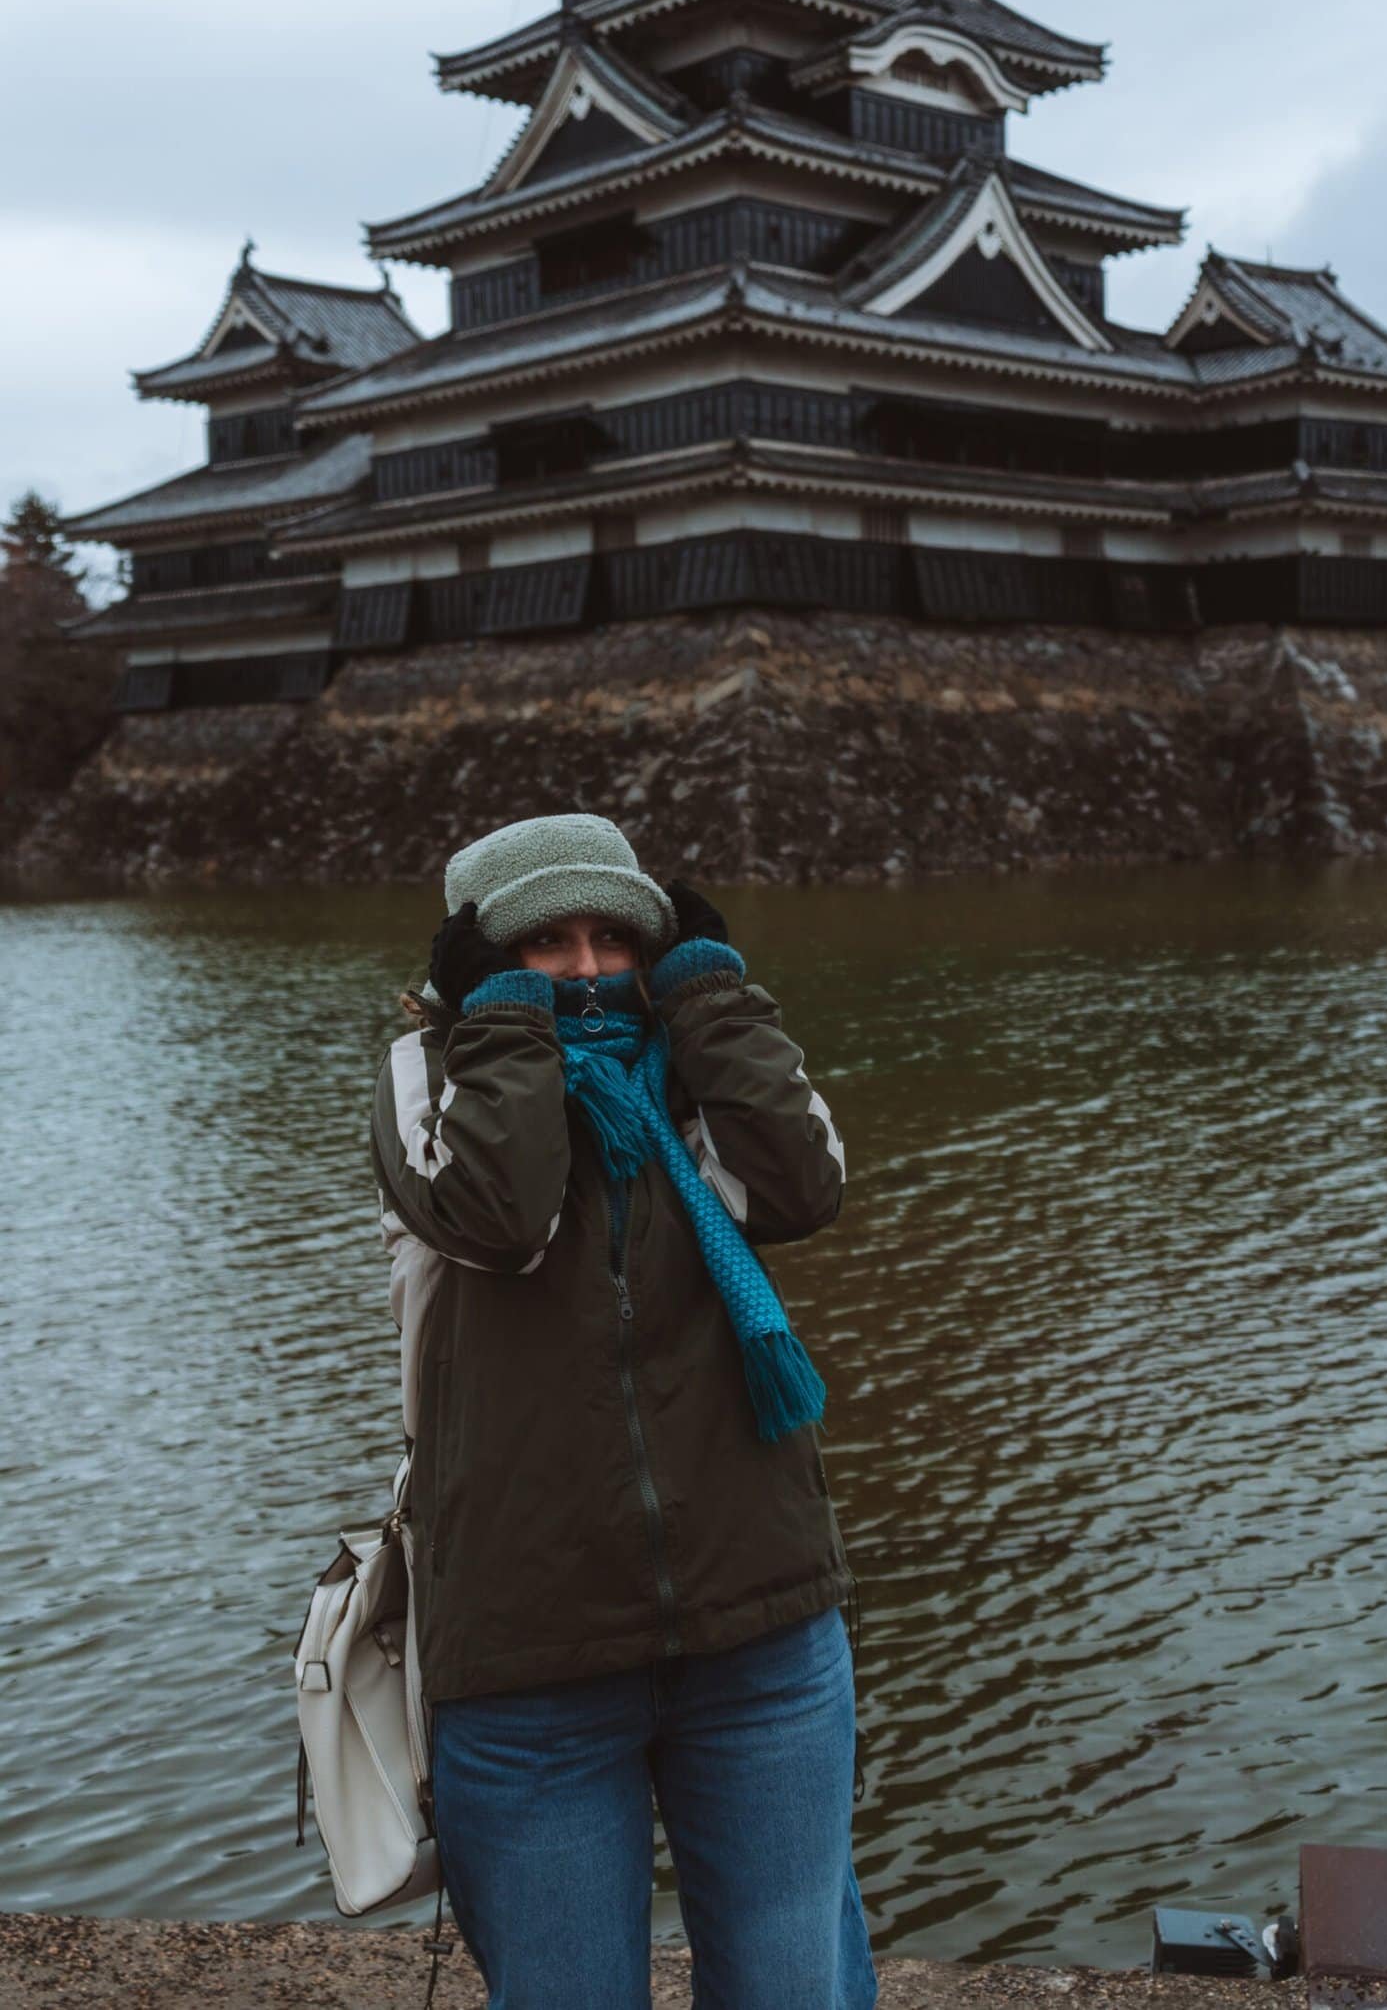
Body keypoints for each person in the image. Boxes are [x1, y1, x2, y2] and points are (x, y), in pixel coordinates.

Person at [371, 811, 877, 2010]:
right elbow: (506, 1212)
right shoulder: (427, 1085)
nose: (592, 968)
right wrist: (503, 1024)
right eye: (548, 941)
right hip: (532, 1657)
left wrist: (707, 991)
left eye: (616, 937)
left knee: (789, 1989)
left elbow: (804, 1185)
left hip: (761, 1633)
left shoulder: (700, 1078)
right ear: (482, 959)